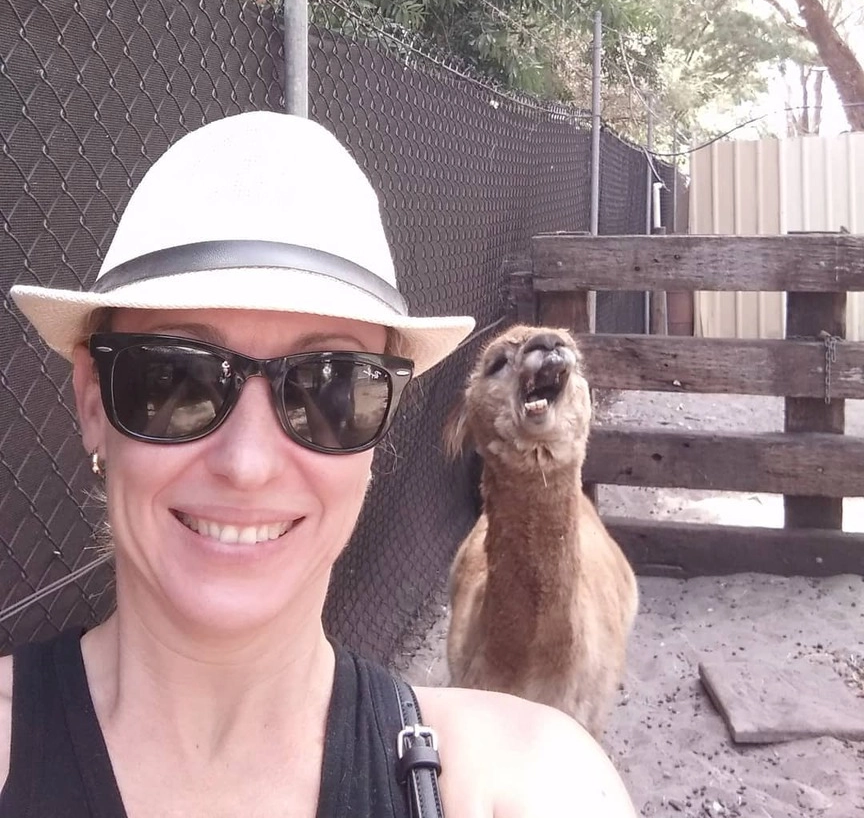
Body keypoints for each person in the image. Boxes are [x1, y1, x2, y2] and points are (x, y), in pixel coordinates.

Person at [1, 111, 636, 817]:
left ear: (380, 426)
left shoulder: (527, 782)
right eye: (176, 380)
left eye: (331, 388)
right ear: (93, 400)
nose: (247, 465)